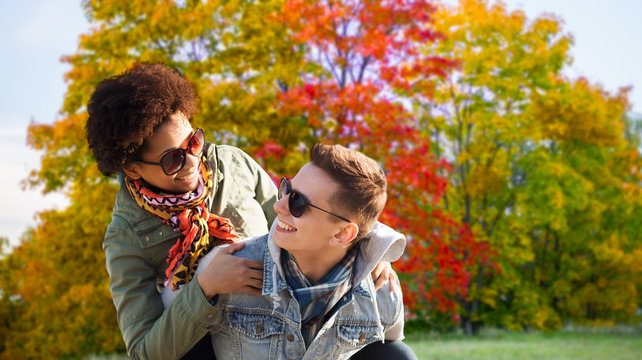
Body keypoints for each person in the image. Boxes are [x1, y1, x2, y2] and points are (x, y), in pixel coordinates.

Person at [86, 63, 400, 360]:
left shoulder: (232, 164)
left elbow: (304, 214)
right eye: (172, 159)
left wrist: (367, 246)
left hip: (287, 317)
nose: (193, 162)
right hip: (216, 346)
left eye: (194, 142)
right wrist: (205, 289)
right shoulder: (125, 237)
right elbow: (144, 351)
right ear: (132, 167)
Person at [162, 144, 417, 360]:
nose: (279, 205)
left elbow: (388, 348)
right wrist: (205, 288)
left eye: (298, 203)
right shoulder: (227, 268)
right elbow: (166, 339)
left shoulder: (381, 290)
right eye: (286, 189)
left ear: (342, 234)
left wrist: (376, 252)